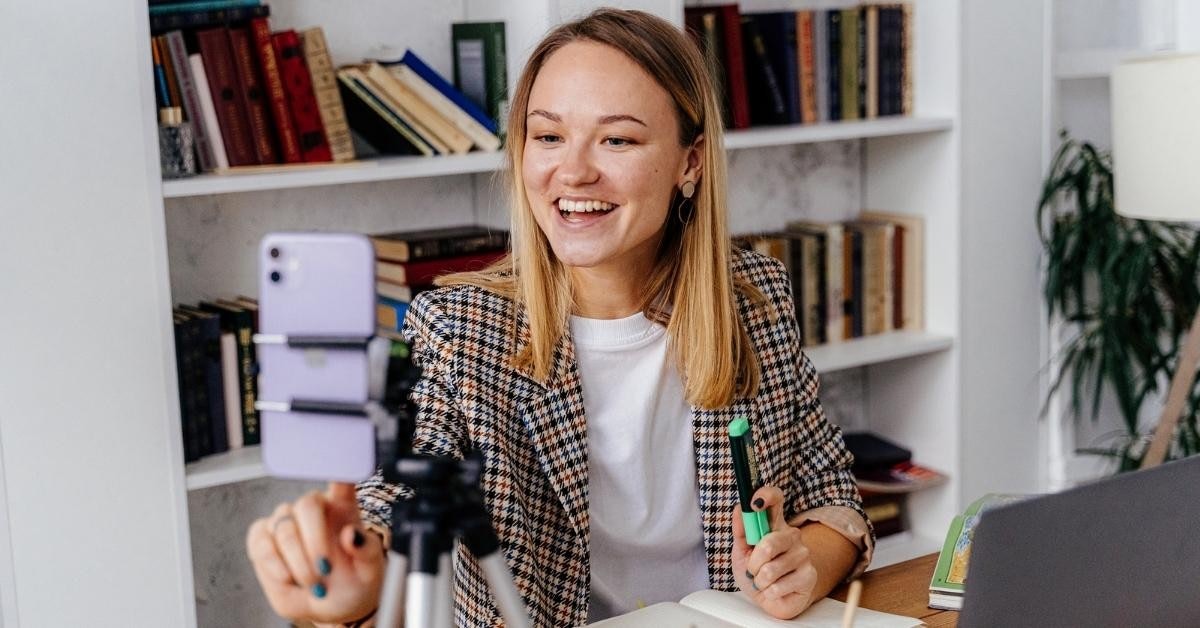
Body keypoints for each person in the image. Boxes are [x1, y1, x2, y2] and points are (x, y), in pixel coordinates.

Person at [246, 8, 873, 627]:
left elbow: (830, 493)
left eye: (618, 139)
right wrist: (357, 570)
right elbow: (400, 496)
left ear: (691, 162)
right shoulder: (461, 327)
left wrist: (804, 565)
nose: (572, 171)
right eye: (548, 136)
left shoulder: (752, 299)